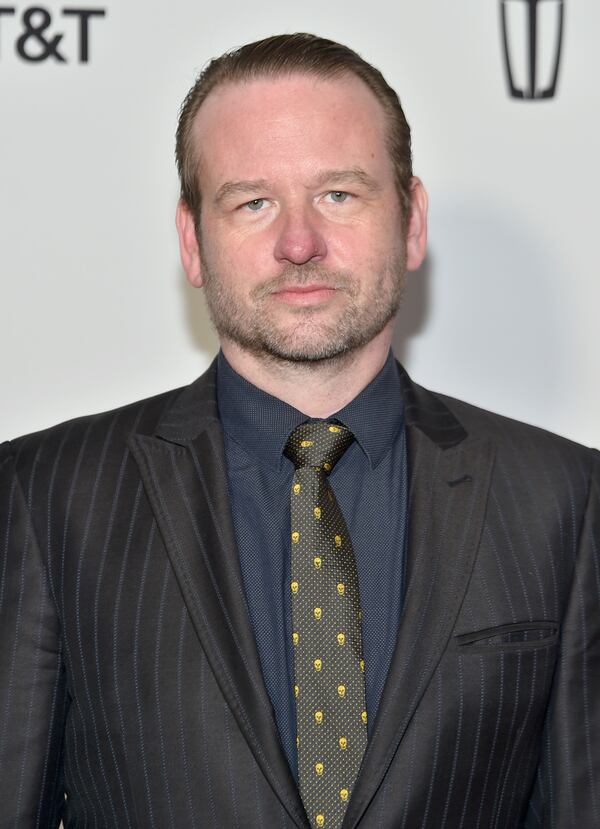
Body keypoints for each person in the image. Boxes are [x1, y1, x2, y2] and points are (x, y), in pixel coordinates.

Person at [0, 32, 598, 829]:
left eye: (339, 195)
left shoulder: (562, 498)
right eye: (253, 202)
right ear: (192, 240)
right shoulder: (47, 496)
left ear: (412, 221)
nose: (298, 242)